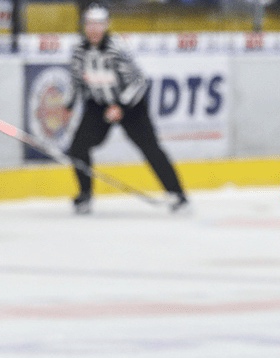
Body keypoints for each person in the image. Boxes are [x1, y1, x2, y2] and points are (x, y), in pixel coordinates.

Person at [63, 4, 188, 214]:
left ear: (106, 25)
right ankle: (85, 196)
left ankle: (178, 195)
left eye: (98, 24)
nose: (94, 29)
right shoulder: (79, 52)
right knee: (78, 147)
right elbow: (76, 82)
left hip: (131, 107)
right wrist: (68, 106)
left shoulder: (117, 49)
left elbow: (139, 81)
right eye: (90, 24)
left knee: (150, 148)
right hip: (98, 106)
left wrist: (121, 106)